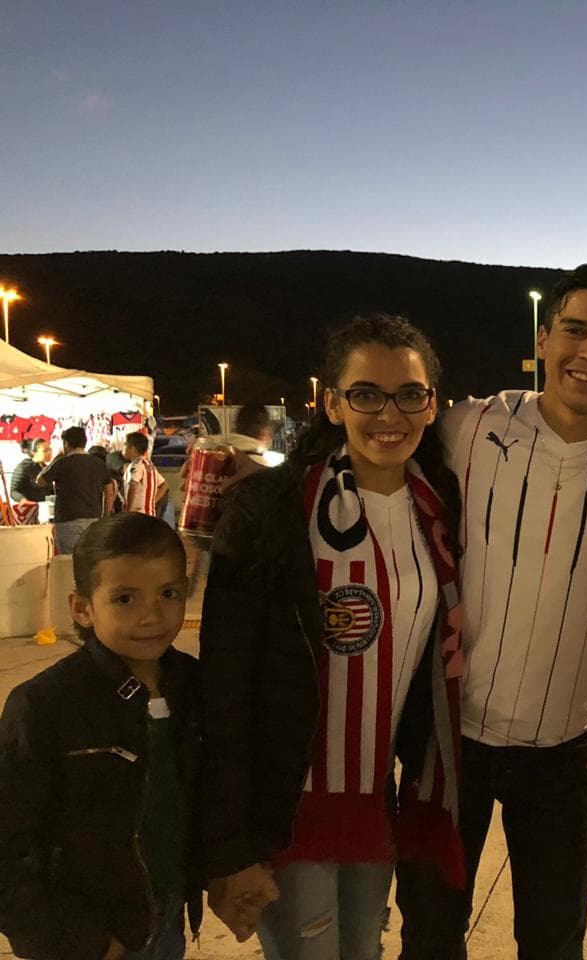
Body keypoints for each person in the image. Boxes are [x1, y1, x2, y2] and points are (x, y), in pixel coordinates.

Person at [395, 263, 587, 960]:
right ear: (543, 339)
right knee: (430, 936)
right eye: (574, 330)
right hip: (451, 741)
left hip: (566, 751)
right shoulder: (467, 427)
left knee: (554, 942)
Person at [199, 314, 465, 959]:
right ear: (333, 404)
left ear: (432, 405)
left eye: (410, 394)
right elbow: (225, 688)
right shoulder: (271, 510)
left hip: (375, 802)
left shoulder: (439, 507)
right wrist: (229, 845)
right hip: (286, 809)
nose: (389, 414)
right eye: (366, 394)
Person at [0, 513, 200, 960]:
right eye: (125, 598)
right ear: (82, 608)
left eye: (168, 594)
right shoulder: (44, 705)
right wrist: (75, 939)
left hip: (165, 916)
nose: (152, 615)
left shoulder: (193, 687)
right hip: (86, 932)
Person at [36, 426, 118, 554]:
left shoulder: (62, 463)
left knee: (70, 559)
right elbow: (109, 490)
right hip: (93, 519)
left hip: (68, 520)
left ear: (66, 443)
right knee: (89, 557)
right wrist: (106, 514)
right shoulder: (99, 463)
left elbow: (40, 481)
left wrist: (56, 459)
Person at [123, 431, 169, 516]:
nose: (123, 448)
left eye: (125, 445)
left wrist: (128, 509)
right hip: (149, 513)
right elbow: (164, 485)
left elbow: (133, 486)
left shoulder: (136, 465)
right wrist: (151, 503)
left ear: (132, 448)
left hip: (138, 515)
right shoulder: (149, 464)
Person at [9, 438, 49, 504]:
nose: (49, 452)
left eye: (50, 449)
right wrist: (22, 500)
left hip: (47, 505)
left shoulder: (46, 467)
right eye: (45, 450)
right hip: (32, 506)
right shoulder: (24, 467)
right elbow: (14, 491)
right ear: (34, 452)